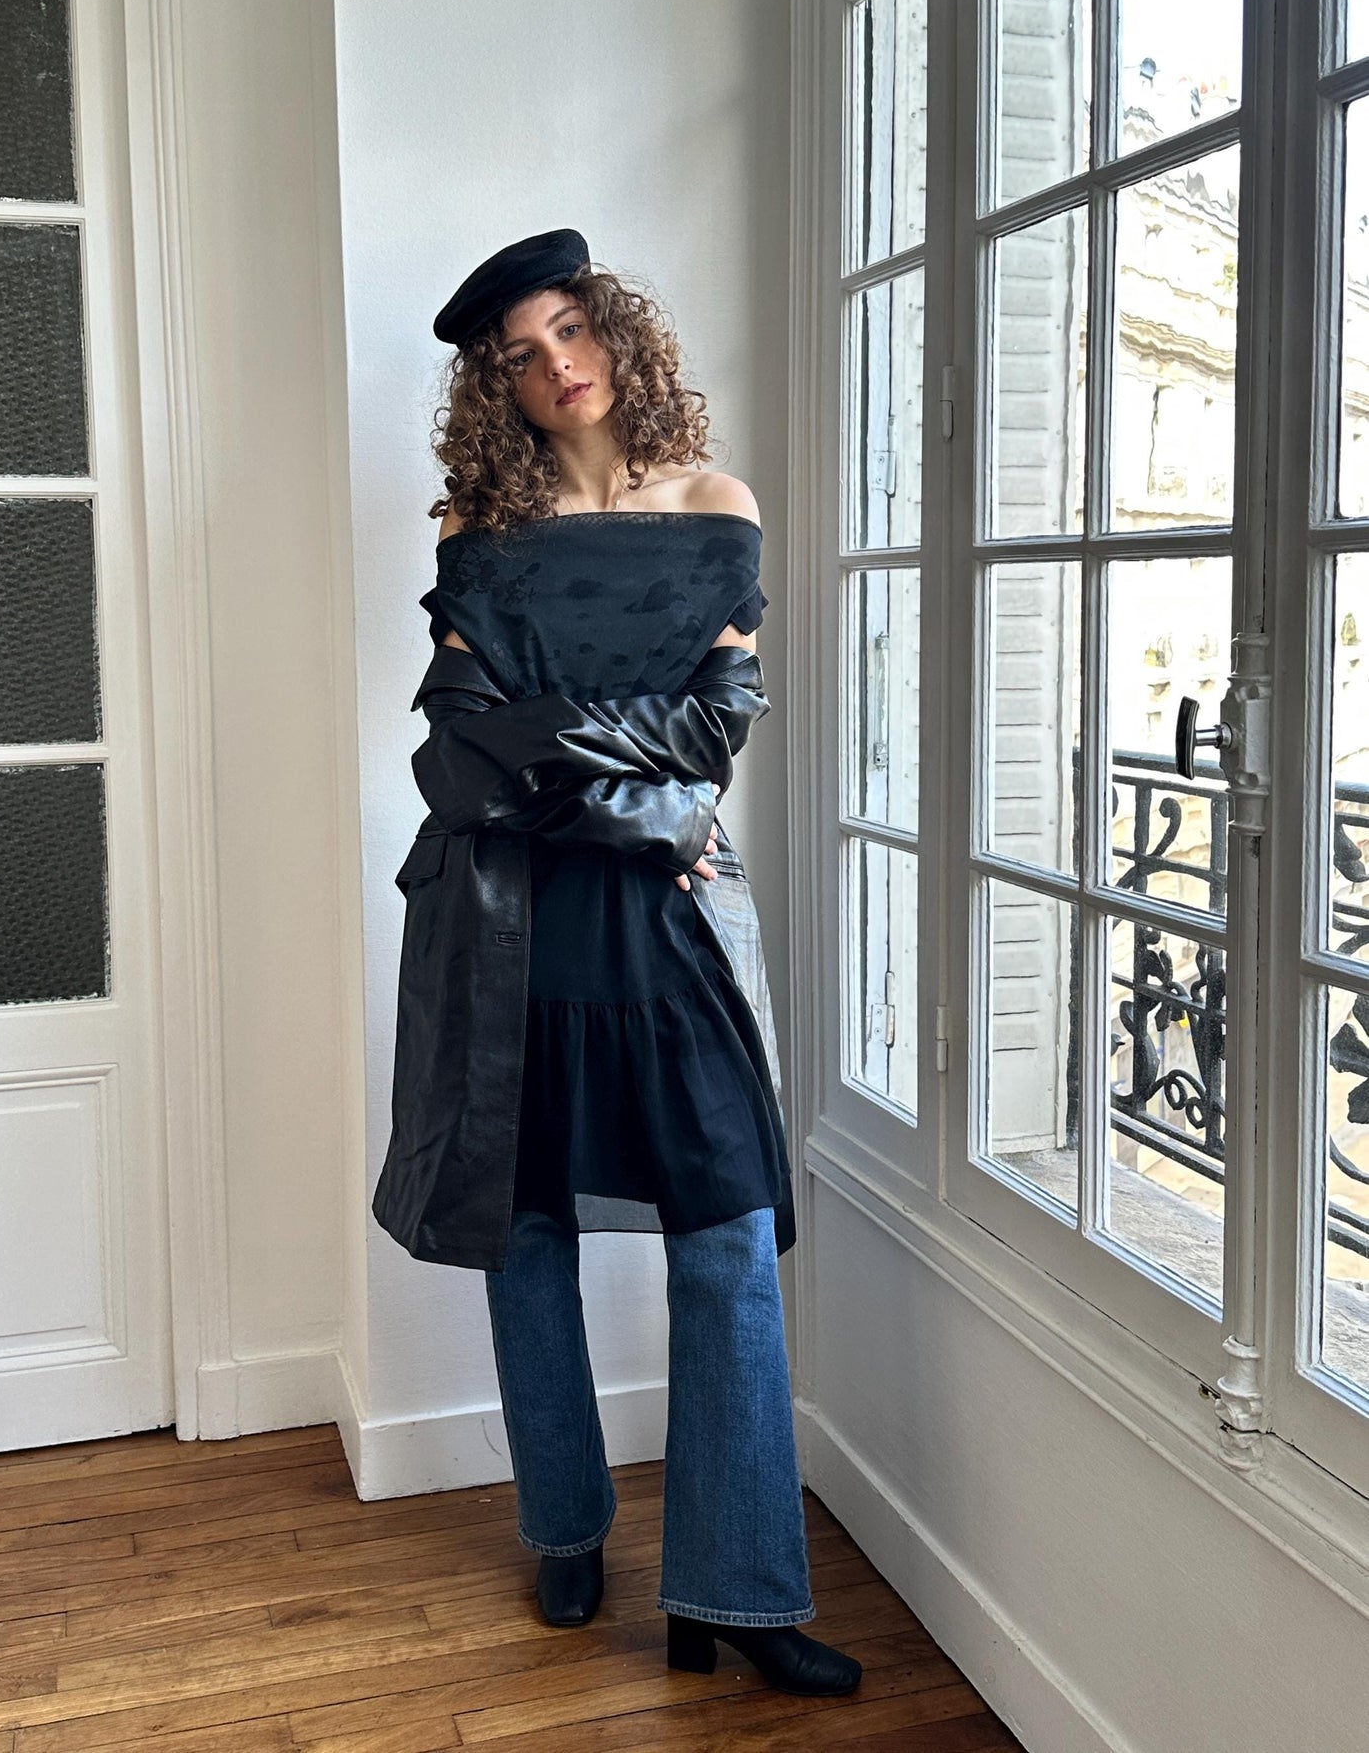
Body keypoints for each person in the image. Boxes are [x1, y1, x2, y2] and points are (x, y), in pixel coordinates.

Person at [375, 227, 861, 1698]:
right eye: (519, 353)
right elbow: (462, 755)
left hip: (672, 931)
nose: (557, 365)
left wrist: (575, 759)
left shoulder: (717, 509)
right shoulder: (477, 535)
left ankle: (741, 1590)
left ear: (618, 334)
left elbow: (713, 730)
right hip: (510, 927)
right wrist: (641, 804)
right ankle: (564, 1525)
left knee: (726, 1244)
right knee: (527, 1237)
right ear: (495, 387)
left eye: (572, 329)